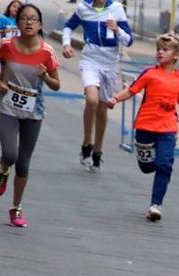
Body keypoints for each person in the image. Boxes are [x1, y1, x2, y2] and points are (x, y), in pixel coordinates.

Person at [106, 32, 179, 222]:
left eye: (165, 49)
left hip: (168, 127)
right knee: (147, 168)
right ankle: (153, 163)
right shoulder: (150, 73)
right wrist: (115, 99)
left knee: (164, 165)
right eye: (158, 49)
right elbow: (132, 90)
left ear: (176, 55)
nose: (160, 53)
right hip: (145, 126)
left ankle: (156, 205)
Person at [0, 3, 60, 227]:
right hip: (9, 106)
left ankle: (16, 208)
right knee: (10, 154)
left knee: (23, 163)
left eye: (33, 19)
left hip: (33, 110)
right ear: (17, 22)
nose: (29, 23)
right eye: (24, 19)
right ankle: (2, 168)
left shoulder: (47, 52)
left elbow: (56, 84)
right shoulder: (8, 45)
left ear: (40, 25)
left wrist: (46, 77)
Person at [62, 0, 133, 173]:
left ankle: (97, 151)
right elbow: (68, 26)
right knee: (92, 100)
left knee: (102, 108)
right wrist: (66, 44)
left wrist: (117, 29)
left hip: (110, 63)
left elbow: (129, 40)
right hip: (90, 60)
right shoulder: (83, 7)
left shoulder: (116, 9)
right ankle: (87, 142)